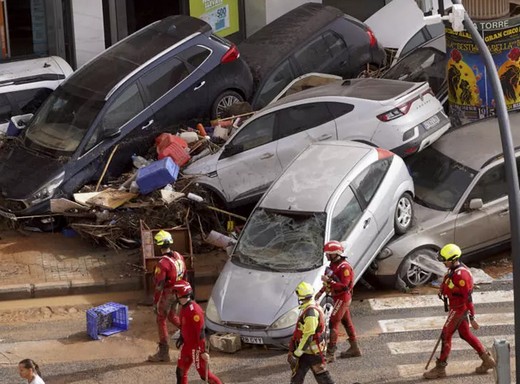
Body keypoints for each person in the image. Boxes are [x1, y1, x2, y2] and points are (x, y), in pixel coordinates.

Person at [423, 243, 496, 379]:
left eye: (445, 260)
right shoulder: (453, 269)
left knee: (446, 335)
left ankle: (440, 368)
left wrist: (473, 318)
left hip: (458, 310)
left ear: (454, 258)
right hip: (455, 308)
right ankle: (487, 360)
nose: (444, 262)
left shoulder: (461, 275)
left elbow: (468, 298)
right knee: (465, 335)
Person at [315, 240, 360, 362]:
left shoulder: (344, 267)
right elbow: (329, 282)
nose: (326, 256)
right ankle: (355, 348)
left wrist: (329, 282)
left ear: (335, 253)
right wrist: (320, 292)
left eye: (328, 253)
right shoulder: (333, 266)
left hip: (342, 298)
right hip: (337, 297)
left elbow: (344, 286)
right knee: (346, 322)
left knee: (333, 323)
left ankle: (330, 354)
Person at [172, 280, 223, 384]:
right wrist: (182, 337)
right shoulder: (184, 308)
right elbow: (185, 326)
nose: (175, 296)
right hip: (187, 346)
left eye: (176, 293)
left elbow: (200, 331)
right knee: (180, 372)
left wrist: (203, 351)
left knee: (205, 375)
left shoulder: (194, 311)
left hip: (196, 348)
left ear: (181, 293)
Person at [148, 229, 187, 362]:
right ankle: (190, 333)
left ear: (158, 245)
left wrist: (155, 302)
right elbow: (185, 275)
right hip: (179, 291)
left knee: (161, 319)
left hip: (169, 292)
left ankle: (164, 353)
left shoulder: (162, 263)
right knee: (172, 316)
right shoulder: (179, 256)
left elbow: (159, 285)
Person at [287, 281, 335, 384]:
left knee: (322, 377)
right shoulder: (311, 307)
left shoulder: (310, 313)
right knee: (297, 376)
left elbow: (308, 336)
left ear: (301, 297)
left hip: (311, 352)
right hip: (307, 350)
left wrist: (296, 354)